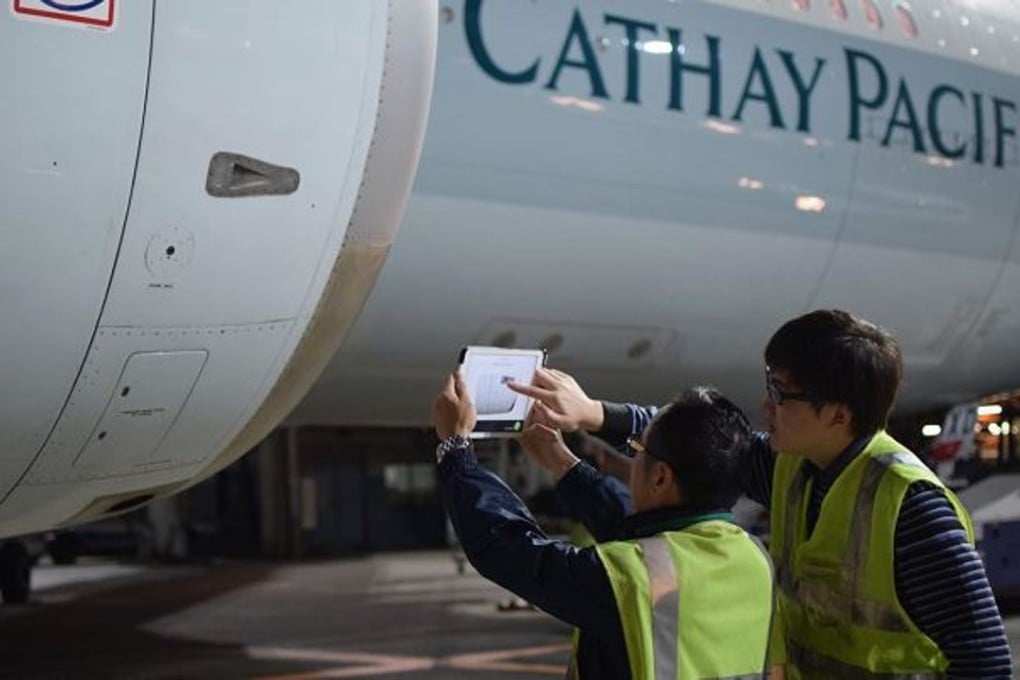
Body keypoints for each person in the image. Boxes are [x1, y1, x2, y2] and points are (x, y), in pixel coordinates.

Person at [509, 309, 1014, 679]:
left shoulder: (912, 509)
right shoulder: (792, 467)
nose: (765, 406)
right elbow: (695, 440)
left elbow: (984, 659)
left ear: (838, 415)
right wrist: (594, 412)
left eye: (780, 393)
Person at [432, 373, 778, 679]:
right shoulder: (754, 557)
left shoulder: (627, 577)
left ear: (660, 477)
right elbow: (642, 533)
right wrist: (563, 463)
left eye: (637, 449)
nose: (632, 458)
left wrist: (456, 451)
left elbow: (507, 549)